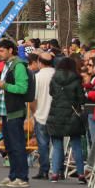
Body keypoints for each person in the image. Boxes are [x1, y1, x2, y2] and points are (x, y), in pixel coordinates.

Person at [0, 39, 31, 188]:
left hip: (14, 111)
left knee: (18, 145)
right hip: (6, 112)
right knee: (10, 145)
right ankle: (13, 175)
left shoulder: (18, 66)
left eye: (1, 51)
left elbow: (22, 88)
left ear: (10, 50)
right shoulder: (7, 66)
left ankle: (22, 177)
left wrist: (4, 85)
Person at [46, 57, 87, 183]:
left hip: (56, 113)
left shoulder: (54, 78)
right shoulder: (77, 78)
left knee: (57, 144)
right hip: (72, 113)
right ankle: (80, 174)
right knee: (76, 145)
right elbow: (81, 98)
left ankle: (55, 173)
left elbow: (52, 93)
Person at [31, 52, 55, 180]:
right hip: (56, 114)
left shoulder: (37, 77)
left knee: (43, 144)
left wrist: (34, 112)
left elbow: (32, 98)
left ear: (40, 62)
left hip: (40, 113)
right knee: (57, 143)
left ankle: (44, 169)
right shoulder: (57, 74)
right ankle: (58, 170)